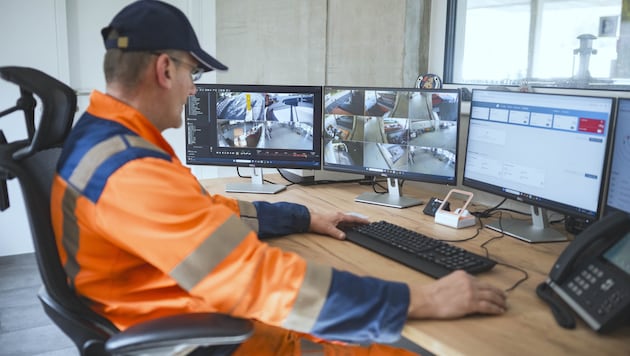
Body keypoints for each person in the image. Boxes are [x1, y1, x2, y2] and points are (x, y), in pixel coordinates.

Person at [50, 1, 507, 355]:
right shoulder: (130, 170)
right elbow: (255, 280)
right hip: (199, 340)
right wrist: (420, 300)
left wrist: (299, 216)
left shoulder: (105, 138)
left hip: (170, 309)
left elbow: (205, 218)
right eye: (195, 72)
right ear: (165, 69)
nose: (194, 88)